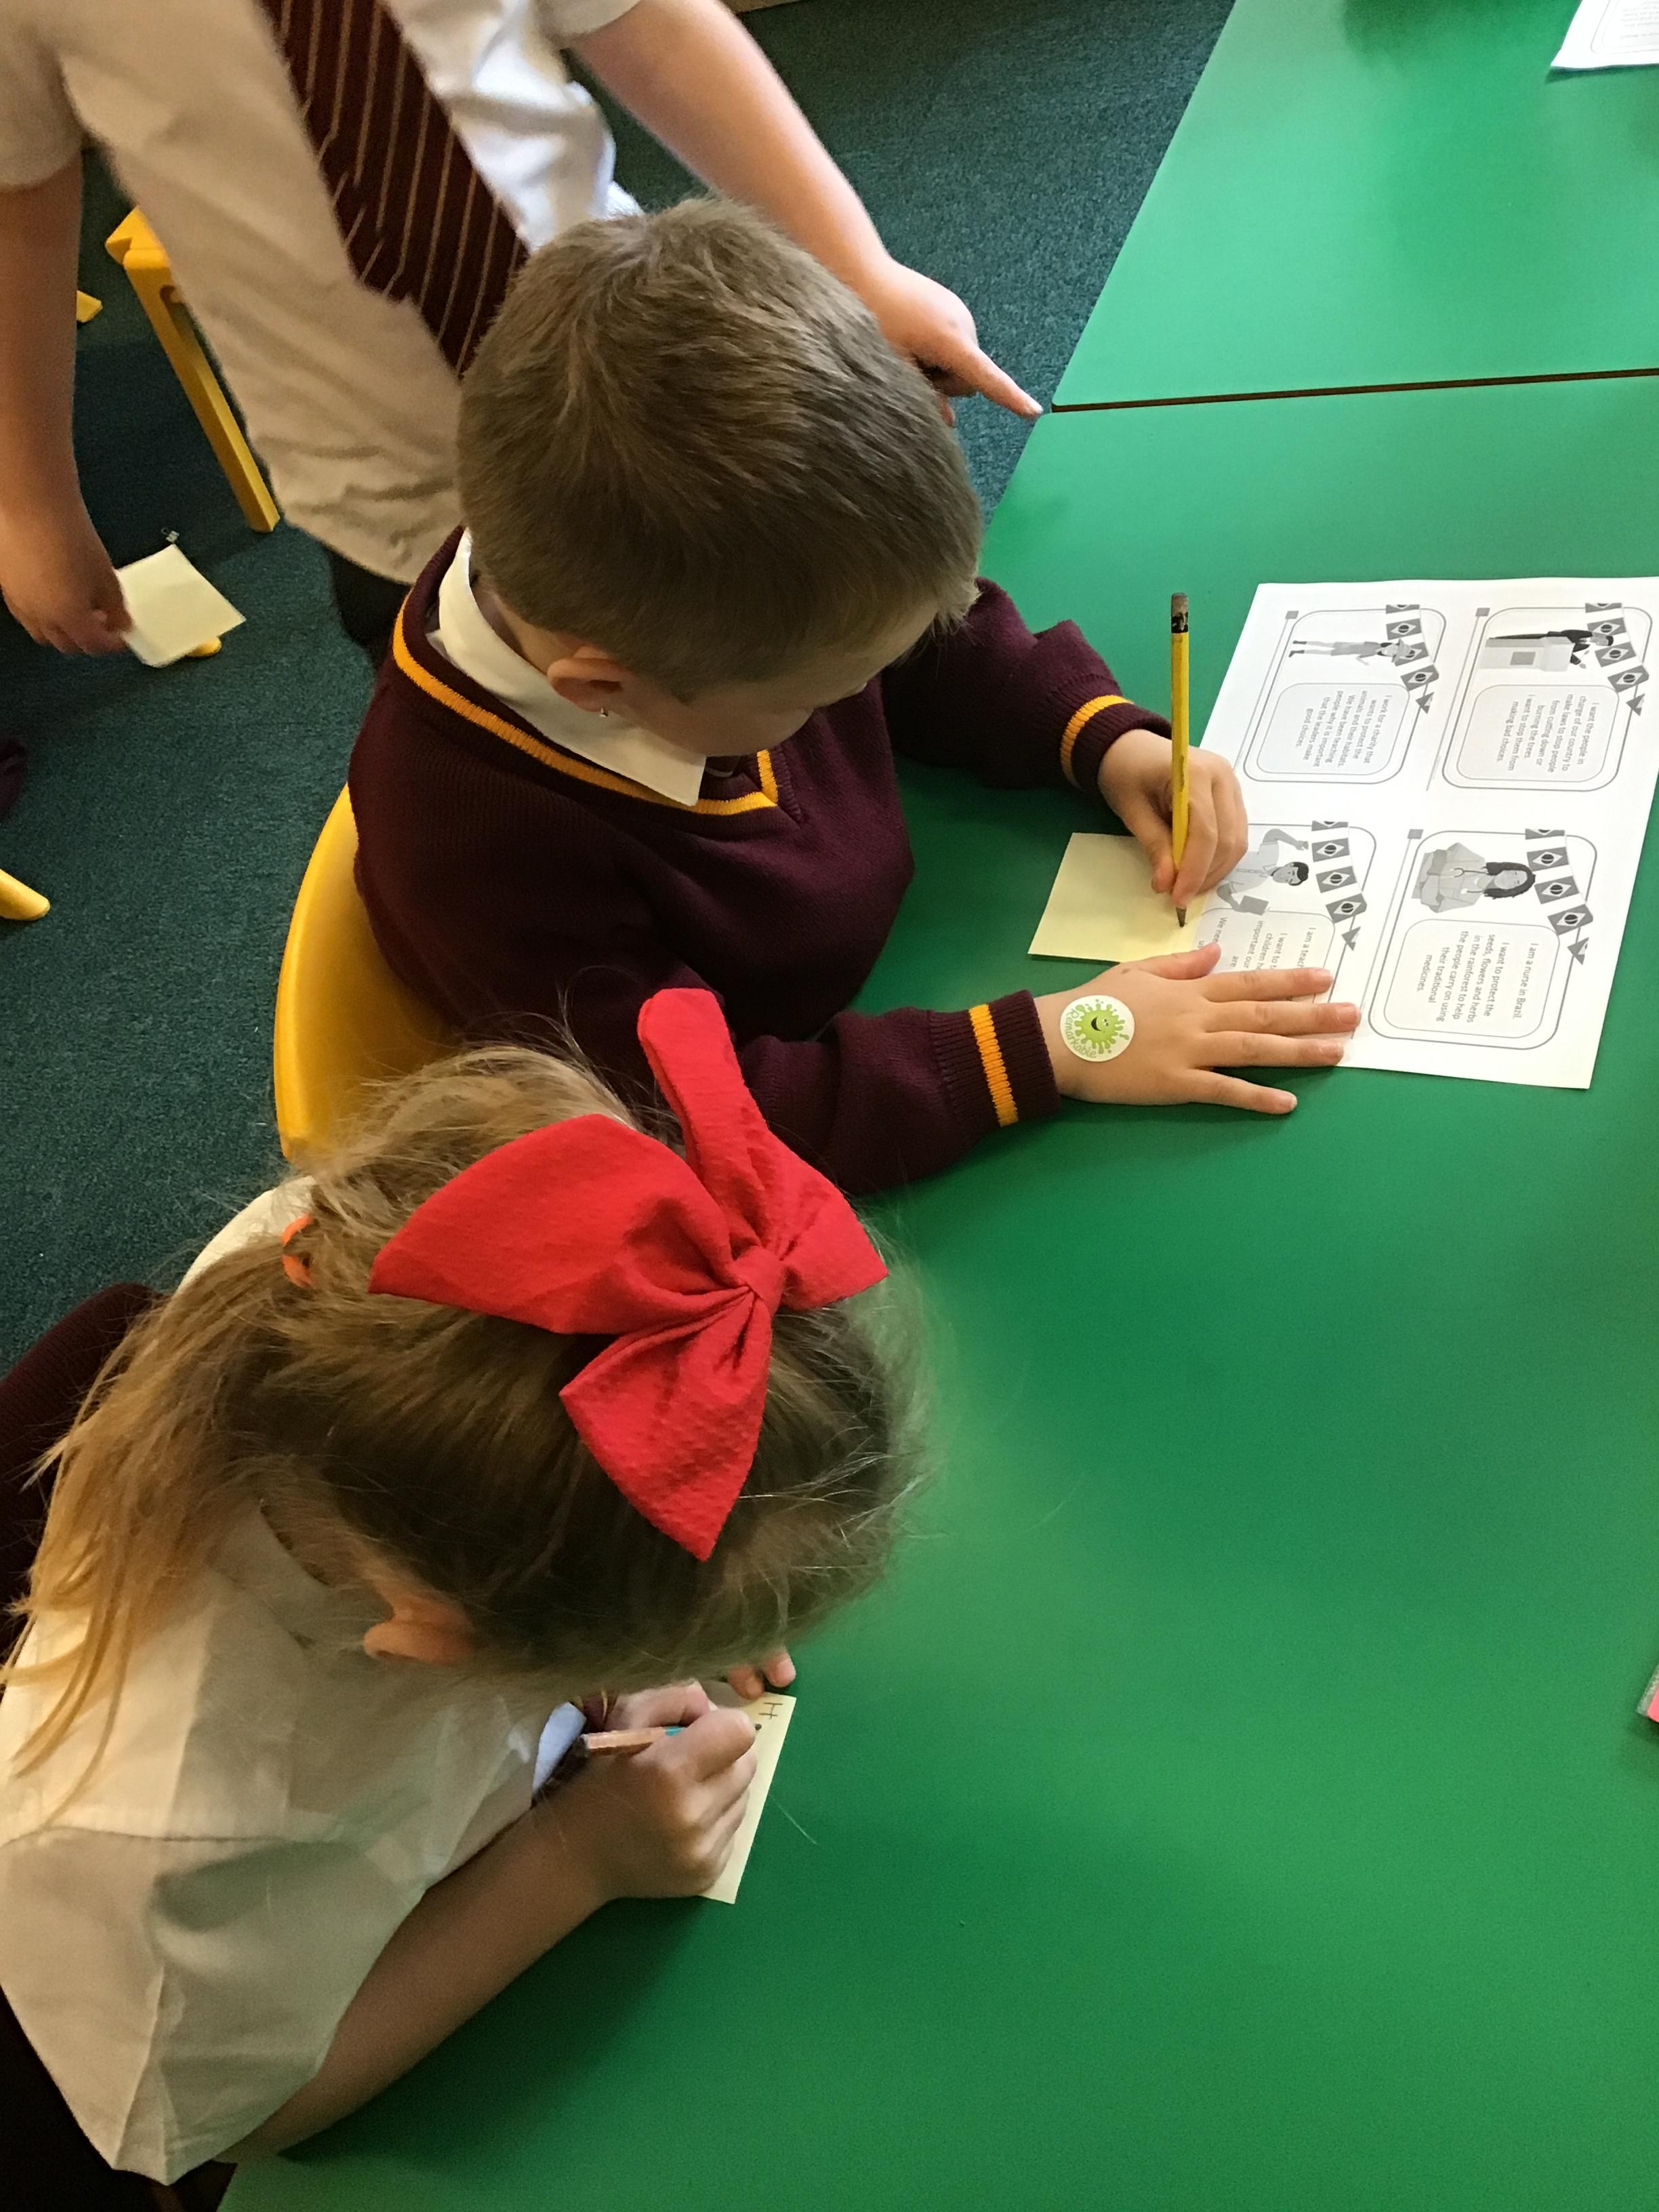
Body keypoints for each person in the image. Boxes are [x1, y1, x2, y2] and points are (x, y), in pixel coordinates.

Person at [0, 988, 910, 2184]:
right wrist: (581, 1857)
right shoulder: (168, 1836)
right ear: (443, 1642)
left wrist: (644, 1600)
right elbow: (267, 2109)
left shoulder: (346, 1270)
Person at [350, 201, 1359, 1195]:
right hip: (825, 1127)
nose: (858, 691)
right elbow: (702, 1121)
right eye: (822, 696)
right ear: (605, 687)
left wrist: (1096, 736)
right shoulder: (477, 853)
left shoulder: (700, 603)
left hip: (913, 955)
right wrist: (1060, 1044)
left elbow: (920, 643)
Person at [0, 0, 1038, 665]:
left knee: (819, 619)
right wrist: (32, 504)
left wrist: (859, 267)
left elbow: (652, 27)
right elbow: (21, 207)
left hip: (640, 370)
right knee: (538, 772)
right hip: (387, 488)